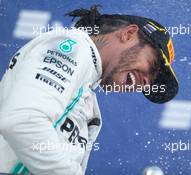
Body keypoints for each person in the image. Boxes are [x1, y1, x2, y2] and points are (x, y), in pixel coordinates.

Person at [0, 5, 179, 175]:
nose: (147, 82)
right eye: (153, 66)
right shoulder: (74, 46)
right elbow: (22, 120)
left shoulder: (87, 91)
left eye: (152, 82)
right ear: (129, 34)